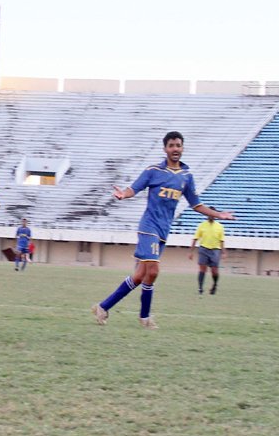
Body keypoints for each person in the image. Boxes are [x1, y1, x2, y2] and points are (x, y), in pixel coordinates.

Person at [91, 131, 235, 329]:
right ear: (165, 149)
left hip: (163, 231)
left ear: (182, 148)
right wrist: (123, 194)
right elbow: (134, 188)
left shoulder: (186, 176)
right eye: (171, 146)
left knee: (141, 275)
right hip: (148, 227)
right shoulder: (153, 171)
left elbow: (196, 204)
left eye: (178, 145)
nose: (175, 149)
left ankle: (103, 307)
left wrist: (219, 215)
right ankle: (145, 318)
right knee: (154, 270)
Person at [188, 208, 227, 295]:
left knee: (214, 270)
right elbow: (195, 238)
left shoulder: (220, 227)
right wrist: (191, 252)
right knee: (202, 269)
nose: (211, 216)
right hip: (203, 249)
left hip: (215, 250)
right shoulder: (201, 225)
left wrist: (224, 252)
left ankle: (215, 285)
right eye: (210, 214)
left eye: (213, 214)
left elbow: (222, 240)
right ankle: (200, 288)